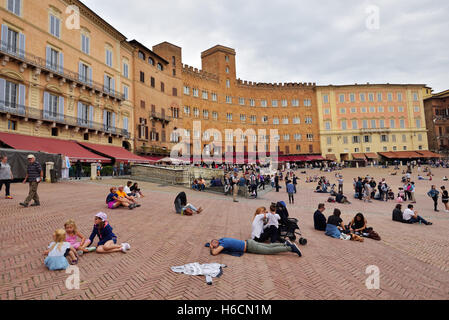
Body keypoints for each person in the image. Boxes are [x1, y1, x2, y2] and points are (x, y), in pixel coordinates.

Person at [208, 237, 302, 257]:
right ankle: (285, 244)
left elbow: (214, 253)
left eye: (214, 244)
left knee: (269, 251)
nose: (215, 246)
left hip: (250, 247)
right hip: (249, 242)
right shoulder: (223, 239)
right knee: (269, 246)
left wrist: (211, 248)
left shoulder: (223, 244)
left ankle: (290, 248)